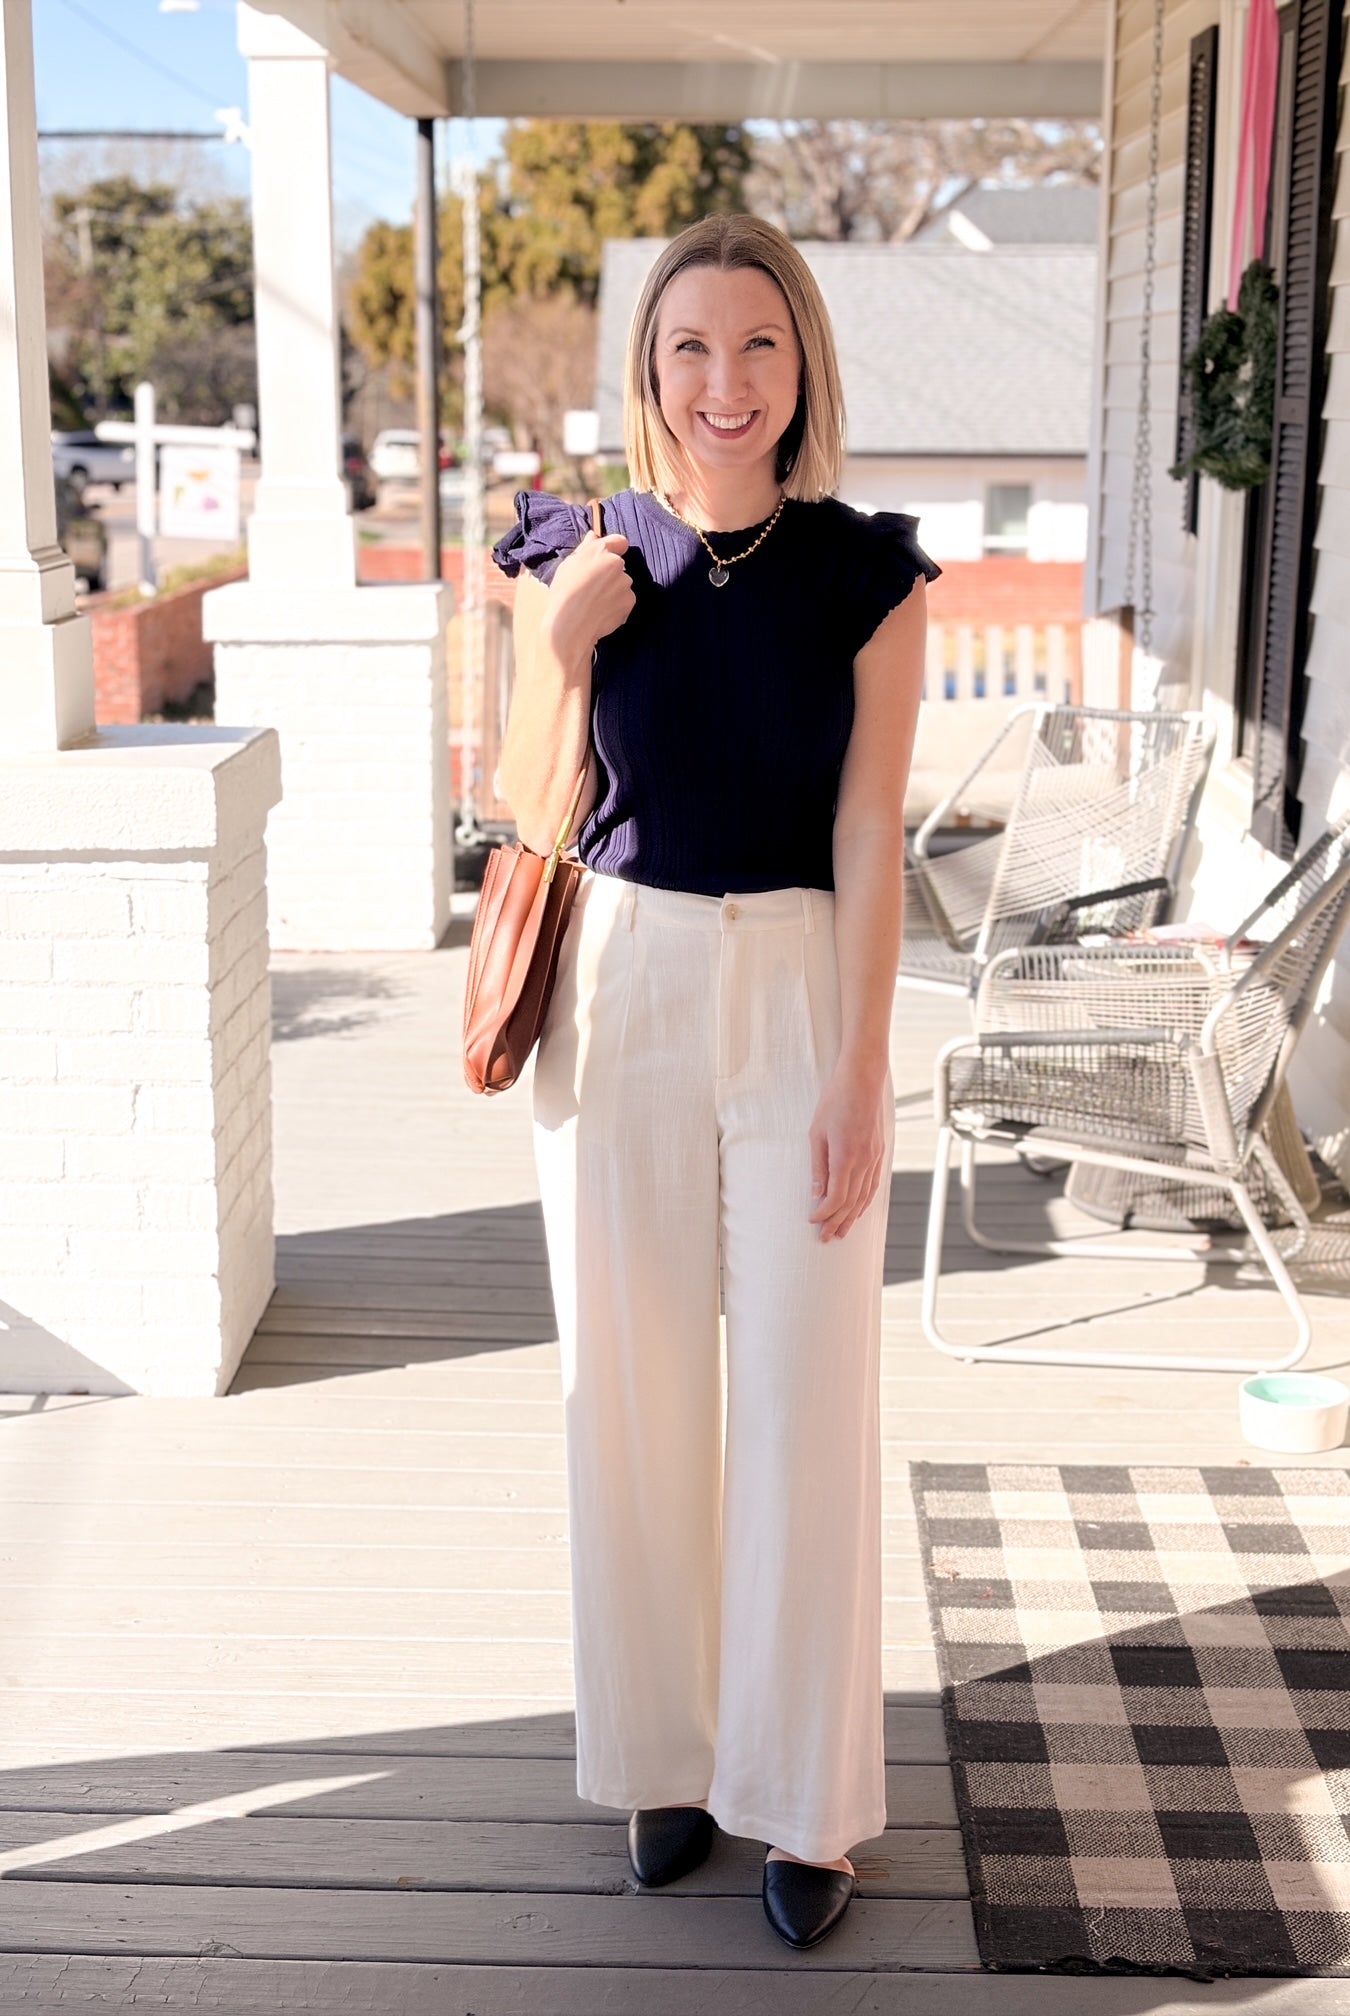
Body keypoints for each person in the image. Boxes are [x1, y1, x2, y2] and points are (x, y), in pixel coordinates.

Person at [491, 213, 937, 1952]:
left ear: (802, 364)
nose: (725, 380)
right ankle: (664, 1765)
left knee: (807, 1408)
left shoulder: (865, 576)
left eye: (761, 343)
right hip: (621, 984)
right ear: (648, 368)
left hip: (801, 989)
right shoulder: (573, 551)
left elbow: (869, 835)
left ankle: (805, 1802)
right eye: (691, 345)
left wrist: (863, 1065)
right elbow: (528, 801)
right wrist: (560, 648)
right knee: (632, 1393)